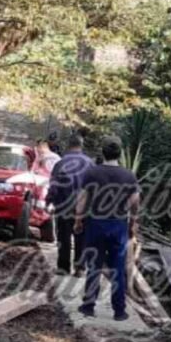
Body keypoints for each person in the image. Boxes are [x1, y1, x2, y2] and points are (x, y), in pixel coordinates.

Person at [73, 135, 140, 321]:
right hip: (118, 224)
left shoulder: (92, 173)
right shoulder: (128, 175)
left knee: (94, 265)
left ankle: (88, 306)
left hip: (96, 223)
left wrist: (78, 220)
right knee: (118, 268)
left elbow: (82, 199)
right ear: (120, 153)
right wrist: (133, 222)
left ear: (103, 152)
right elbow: (135, 201)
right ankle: (119, 311)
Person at [47, 135, 92, 276]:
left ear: (68, 145)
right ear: (81, 145)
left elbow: (54, 185)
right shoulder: (90, 164)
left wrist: (49, 200)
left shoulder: (61, 163)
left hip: (64, 205)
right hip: (84, 207)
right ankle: (80, 268)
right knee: (82, 237)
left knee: (64, 237)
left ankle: (63, 267)